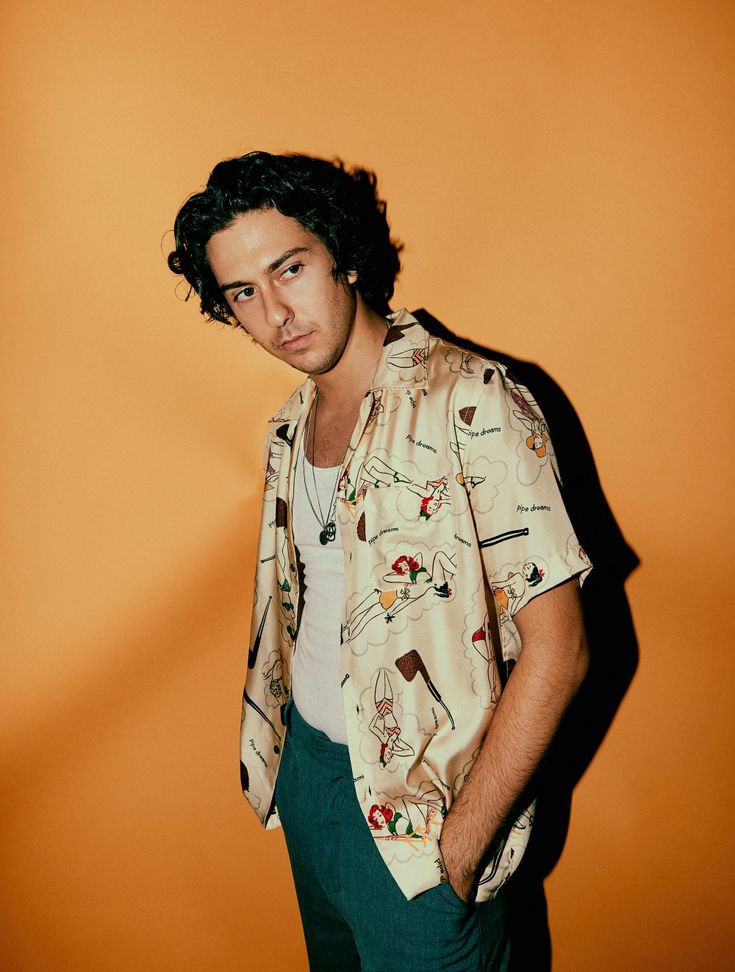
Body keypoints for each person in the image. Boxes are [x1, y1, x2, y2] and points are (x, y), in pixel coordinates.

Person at [168, 152, 592, 972]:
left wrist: (461, 846)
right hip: (312, 778)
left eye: (288, 268)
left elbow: (561, 648)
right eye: (243, 294)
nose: (277, 312)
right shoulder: (289, 426)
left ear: (343, 255)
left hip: (424, 817)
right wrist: (290, 765)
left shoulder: (469, 398)